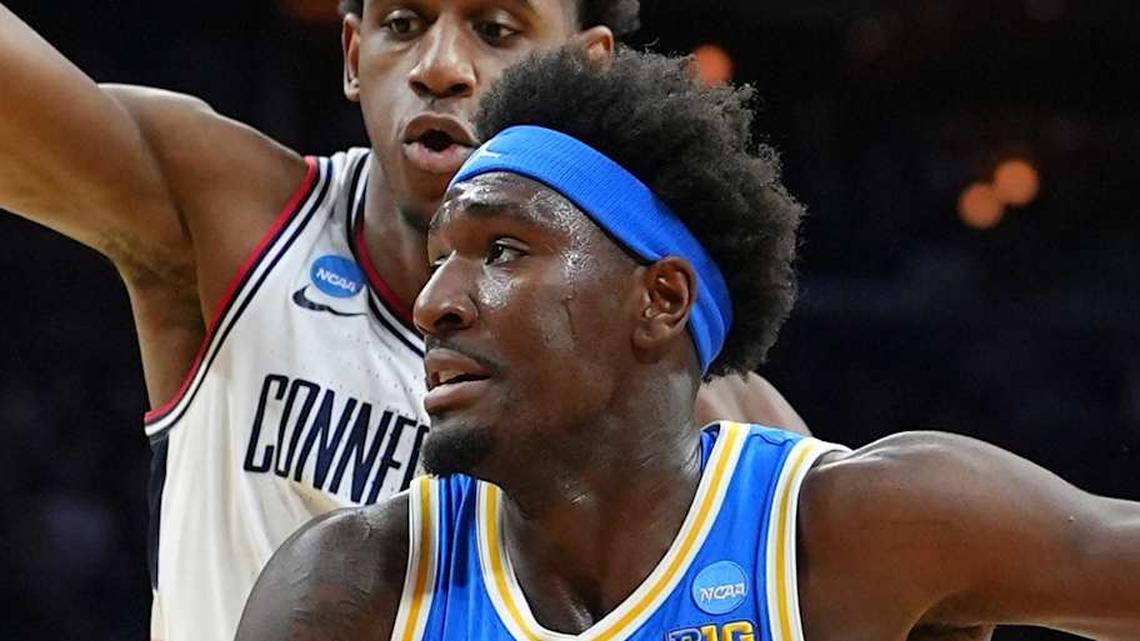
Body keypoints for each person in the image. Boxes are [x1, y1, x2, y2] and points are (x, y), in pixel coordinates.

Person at [236, 46, 1140, 641]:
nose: (435, 302)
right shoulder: (355, 586)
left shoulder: (855, 529)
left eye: (502, 250)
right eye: (441, 258)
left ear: (661, 300)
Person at [0, 2, 807, 640]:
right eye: (402, 23)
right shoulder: (229, 222)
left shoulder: (691, 401)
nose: (441, 67)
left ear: (586, 65)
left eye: (495, 29)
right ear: (354, 56)